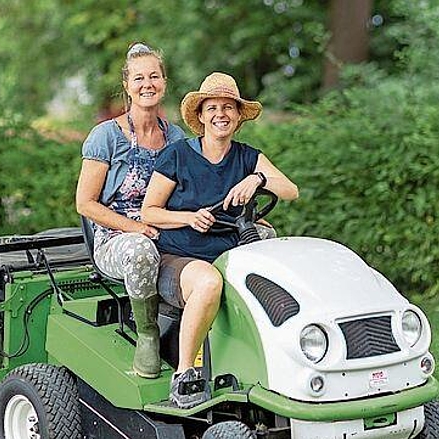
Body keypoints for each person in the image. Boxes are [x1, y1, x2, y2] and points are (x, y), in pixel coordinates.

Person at [141, 72, 299, 407]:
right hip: (178, 260)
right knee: (210, 282)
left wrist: (257, 179)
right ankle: (184, 375)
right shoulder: (177, 156)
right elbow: (149, 212)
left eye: (229, 107)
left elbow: (290, 190)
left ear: (239, 116)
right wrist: (188, 216)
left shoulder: (246, 157)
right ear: (200, 116)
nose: (221, 114)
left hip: (229, 257)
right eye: (212, 107)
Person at [75, 42, 185, 379]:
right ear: (127, 86)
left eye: (154, 76)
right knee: (140, 251)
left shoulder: (177, 137)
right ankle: (148, 333)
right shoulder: (106, 136)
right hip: (117, 240)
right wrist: (133, 228)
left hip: (163, 230)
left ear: (164, 82)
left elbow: (186, 194)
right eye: (139, 78)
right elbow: (85, 203)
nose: (147, 84)